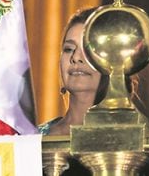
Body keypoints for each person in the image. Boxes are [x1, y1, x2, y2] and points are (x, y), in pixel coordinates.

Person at [39, 8, 104, 136]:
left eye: (88, 49)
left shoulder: (134, 136)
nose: (75, 57)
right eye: (69, 49)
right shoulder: (34, 138)